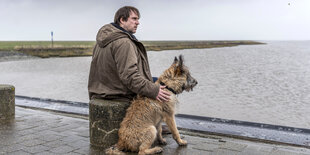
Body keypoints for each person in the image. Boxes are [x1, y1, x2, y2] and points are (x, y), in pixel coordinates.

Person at [88, 6, 170, 103]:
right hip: (119, 95)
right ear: (122, 20)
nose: (138, 22)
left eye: (138, 19)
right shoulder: (124, 42)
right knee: (167, 88)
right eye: (134, 19)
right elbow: (129, 76)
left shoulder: (100, 41)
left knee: (157, 80)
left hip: (103, 91)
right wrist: (154, 91)